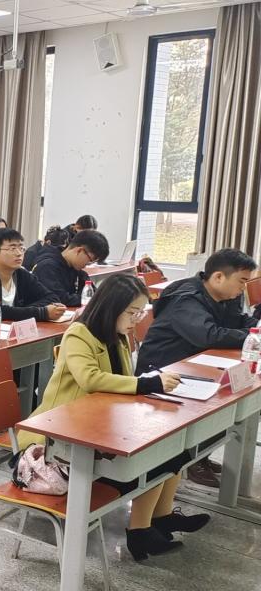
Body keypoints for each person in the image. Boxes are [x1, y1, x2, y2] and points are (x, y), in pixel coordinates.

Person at [17, 275, 208, 561]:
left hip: (98, 427)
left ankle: (162, 517)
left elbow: (122, 381)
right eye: (132, 312)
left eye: (140, 313)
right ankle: (140, 531)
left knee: (173, 450)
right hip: (55, 440)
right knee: (155, 460)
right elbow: (91, 379)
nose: (136, 320)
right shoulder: (79, 333)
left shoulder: (117, 337)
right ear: (111, 307)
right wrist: (147, 384)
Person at [135, 248, 259, 488]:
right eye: (242, 281)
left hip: (197, 365)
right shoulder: (186, 297)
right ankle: (191, 458)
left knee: (230, 394)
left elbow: (238, 321)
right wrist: (250, 335)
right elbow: (208, 335)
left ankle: (200, 454)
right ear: (218, 277)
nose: (243, 288)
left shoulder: (226, 296)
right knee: (221, 399)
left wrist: (256, 328)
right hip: (163, 369)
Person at [0, 229, 67, 322]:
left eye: (21, 248)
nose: (19, 253)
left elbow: (52, 298)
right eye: (12, 249)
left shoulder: (22, 274)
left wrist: (23, 311)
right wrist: (41, 312)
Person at [32, 229, 110, 307]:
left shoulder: (76, 269)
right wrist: (84, 297)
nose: (87, 265)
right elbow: (58, 299)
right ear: (79, 250)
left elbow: (92, 293)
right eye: (90, 260)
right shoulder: (46, 267)